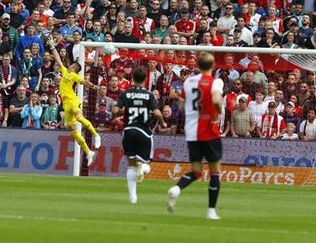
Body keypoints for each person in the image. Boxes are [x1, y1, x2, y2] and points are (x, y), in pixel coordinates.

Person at [167, 52, 224, 220]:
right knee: (215, 172)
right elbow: (215, 98)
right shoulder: (216, 82)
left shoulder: (188, 82)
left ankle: (176, 189)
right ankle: (211, 211)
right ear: (212, 66)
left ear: (197, 65)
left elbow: (182, 106)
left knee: (196, 171)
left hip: (191, 132)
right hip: (209, 131)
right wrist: (218, 113)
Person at [111, 66, 167, 204]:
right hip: (144, 132)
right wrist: (162, 123)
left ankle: (133, 197)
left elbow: (115, 109)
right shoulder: (149, 95)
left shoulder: (126, 94)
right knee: (146, 164)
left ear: (133, 78)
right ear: (145, 79)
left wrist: (113, 117)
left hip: (128, 130)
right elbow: (158, 113)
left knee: (131, 165)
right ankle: (142, 168)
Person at [48, 37, 101, 166]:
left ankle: (96, 135)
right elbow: (58, 59)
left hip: (73, 100)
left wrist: (93, 86)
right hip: (66, 104)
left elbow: (84, 82)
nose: (70, 65)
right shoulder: (65, 72)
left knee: (79, 117)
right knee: (73, 130)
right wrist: (52, 46)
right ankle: (89, 152)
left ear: (75, 68)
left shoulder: (74, 75)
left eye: (72, 65)